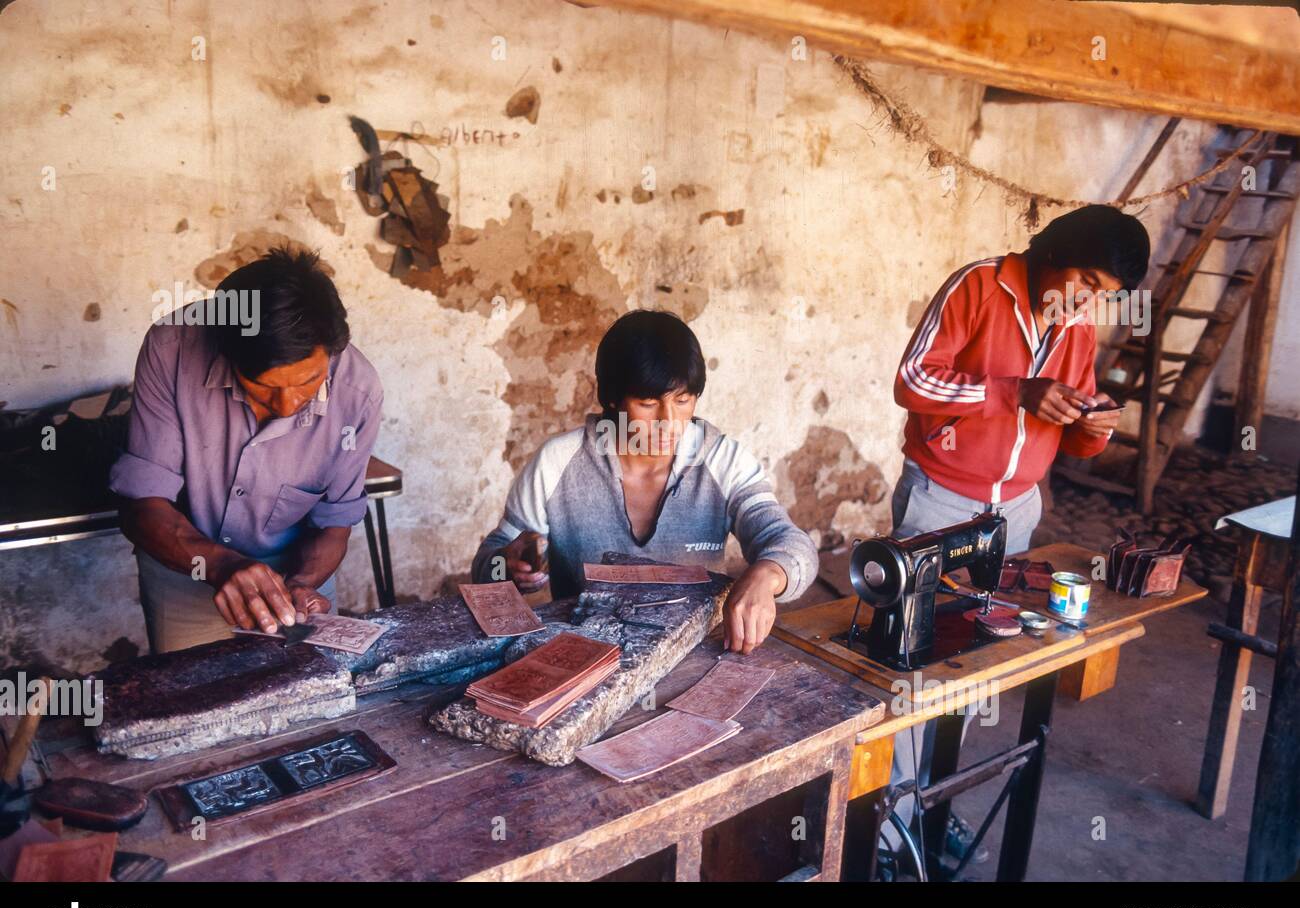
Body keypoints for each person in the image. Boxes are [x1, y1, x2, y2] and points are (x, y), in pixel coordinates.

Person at [887, 205, 1150, 868]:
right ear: (1055, 252)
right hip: (940, 501)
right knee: (915, 667)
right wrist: (1011, 393)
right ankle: (890, 824)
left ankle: (931, 801)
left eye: (1103, 296)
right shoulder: (978, 286)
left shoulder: (1078, 328)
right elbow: (912, 380)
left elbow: (1075, 438)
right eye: (1085, 280)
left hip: (1016, 515)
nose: (1087, 302)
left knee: (978, 664)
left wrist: (1095, 422)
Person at [472, 310, 818, 654]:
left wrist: (766, 574)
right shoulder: (556, 463)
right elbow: (487, 566)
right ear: (611, 398)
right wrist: (506, 565)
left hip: (695, 655)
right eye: (648, 404)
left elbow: (791, 544)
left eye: (683, 401)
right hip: (585, 658)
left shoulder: (721, 460)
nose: (669, 421)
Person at [109, 248, 383, 653]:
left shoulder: (358, 392)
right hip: (185, 569)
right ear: (229, 353)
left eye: (307, 382)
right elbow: (142, 507)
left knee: (310, 701)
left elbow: (334, 525)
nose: (288, 405)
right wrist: (221, 565)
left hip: (295, 588)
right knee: (194, 704)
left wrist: (301, 585)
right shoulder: (173, 349)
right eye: (266, 387)